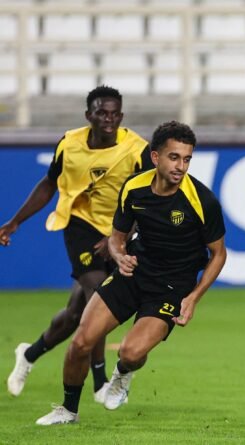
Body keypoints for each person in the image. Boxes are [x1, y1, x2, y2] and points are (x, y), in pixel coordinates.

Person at [35, 120, 227, 425]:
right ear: (155, 157)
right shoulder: (134, 187)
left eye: (187, 158)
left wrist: (193, 298)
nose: (181, 166)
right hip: (134, 274)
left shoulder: (202, 201)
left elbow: (219, 254)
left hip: (171, 287)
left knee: (131, 352)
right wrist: (119, 255)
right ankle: (68, 411)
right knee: (82, 341)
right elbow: (117, 237)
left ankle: (123, 375)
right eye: (174, 157)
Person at [1, 85, 151, 401]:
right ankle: (98, 382)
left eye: (114, 114)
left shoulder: (137, 149)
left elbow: (149, 199)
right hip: (80, 225)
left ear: (121, 116)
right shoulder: (69, 144)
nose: (108, 119)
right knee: (100, 296)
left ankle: (29, 354)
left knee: (75, 314)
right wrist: (15, 222)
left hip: (119, 232)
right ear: (89, 115)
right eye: (101, 113)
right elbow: (49, 184)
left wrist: (118, 235)